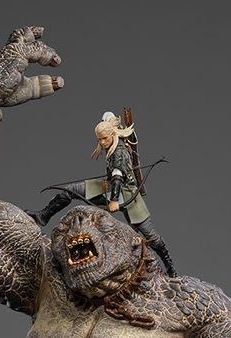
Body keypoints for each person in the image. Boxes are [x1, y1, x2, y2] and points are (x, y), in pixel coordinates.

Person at [29, 111, 177, 275]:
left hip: (126, 192)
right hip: (109, 184)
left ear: (112, 135)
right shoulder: (111, 137)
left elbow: (117, 177)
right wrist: (110, 121)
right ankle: (43, 215)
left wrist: (114, 200)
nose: (102, 142)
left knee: (151, 235)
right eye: (99, 139)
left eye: (104, 139)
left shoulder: (119, 152)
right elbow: (108, 115)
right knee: (70, 190)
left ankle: (169, 265)